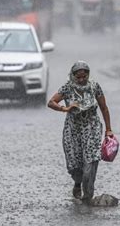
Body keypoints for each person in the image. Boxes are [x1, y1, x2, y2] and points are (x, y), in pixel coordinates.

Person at [47, 61, 113, 204]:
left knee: (90, 161)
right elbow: (51, 102)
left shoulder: (94, 86)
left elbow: (104, 108)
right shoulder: (67, 88)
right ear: (73, 76)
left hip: (91, 128)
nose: (82, 80)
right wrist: (65, 108)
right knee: (74, 164)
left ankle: (88, 195)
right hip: (73, 130)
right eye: (79, 77)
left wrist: (108, 130)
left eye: (85, 76)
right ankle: (77, 182)